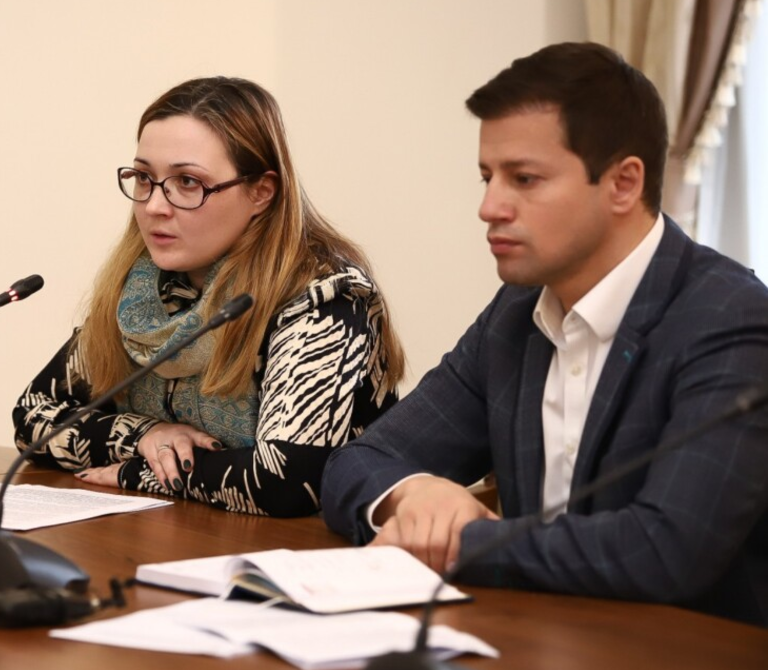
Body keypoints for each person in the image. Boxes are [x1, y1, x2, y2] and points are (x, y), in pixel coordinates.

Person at [322, 42, 768, 626]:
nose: (489, 207)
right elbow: (360, 460)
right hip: (530, 637)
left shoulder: (730, 317)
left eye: (524, 179)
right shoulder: (516, 313)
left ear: (623, 183)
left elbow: (664, 550)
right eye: (487, 177)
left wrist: (461, 542)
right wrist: (413, 495)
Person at [13, 76, 404, 517]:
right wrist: (145, 435)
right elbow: (32, 416)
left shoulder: (324, 299)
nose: (154, 206)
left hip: (305, 551)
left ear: (261, 192)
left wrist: (135, 473)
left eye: (187, 182)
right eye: (144, 178)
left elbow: (283, 481)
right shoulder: (141, 291)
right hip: (173, 533)